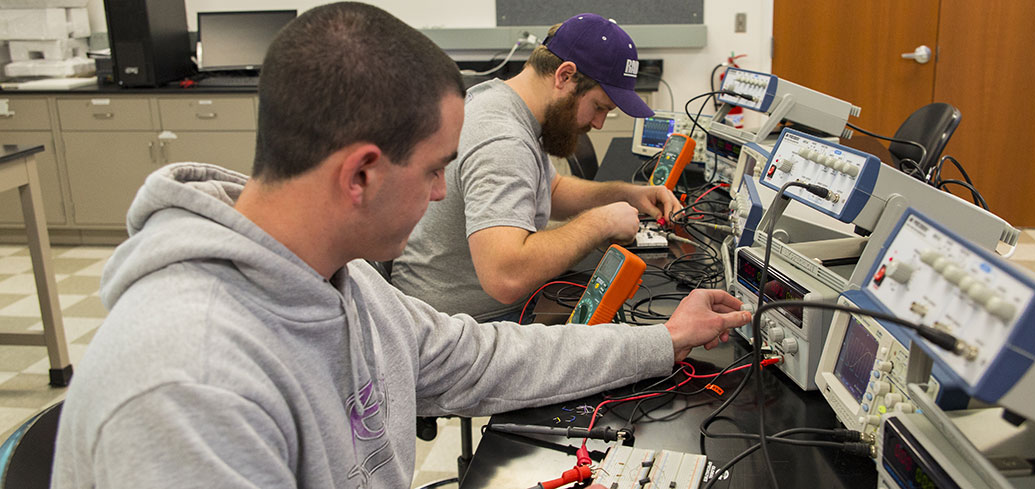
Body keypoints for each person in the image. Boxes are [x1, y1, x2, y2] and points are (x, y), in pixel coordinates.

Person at [50, 3, 749, 488]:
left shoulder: (349, 291)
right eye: (436, 170)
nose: (446, 195)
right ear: (361, 173)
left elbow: (492, 355)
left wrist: (666, 338)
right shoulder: (188, 384)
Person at [391, 13, 683, 321]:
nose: (598, 123)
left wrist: (628, 195)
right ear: (564, 75)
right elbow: (506, 276)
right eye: (598, 106)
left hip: (456, 313)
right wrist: (600, 224)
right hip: (459, 329)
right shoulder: (503, 139)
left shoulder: (503, 102)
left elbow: (551, 190)